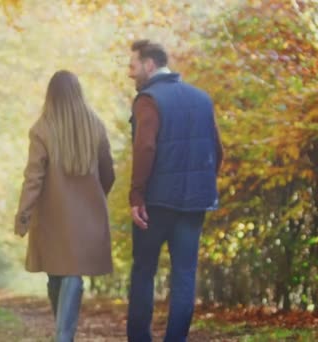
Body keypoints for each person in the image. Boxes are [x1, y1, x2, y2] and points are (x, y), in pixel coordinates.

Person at [125, 39, 224, 342]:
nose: (130, 73)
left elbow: (145, 146)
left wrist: (137, 195)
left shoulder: (148, 99)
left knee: (144, 271)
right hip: (194, 203)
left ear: (149, 64)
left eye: (132, 66)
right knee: (184, 276)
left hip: (155, 202)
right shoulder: (202, 99)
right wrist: (200, 185)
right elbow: (217, 152)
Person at [15, 70, 115, 341]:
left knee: (62, 274)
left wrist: (23, 213)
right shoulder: (95, 125)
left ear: (51, 95)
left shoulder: (42, 128)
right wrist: (95, 198)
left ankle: (63, 336)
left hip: (53, 218)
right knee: (67, 274)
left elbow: (33, 178)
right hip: (88, 217)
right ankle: (63, 333)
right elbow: (109, 172)